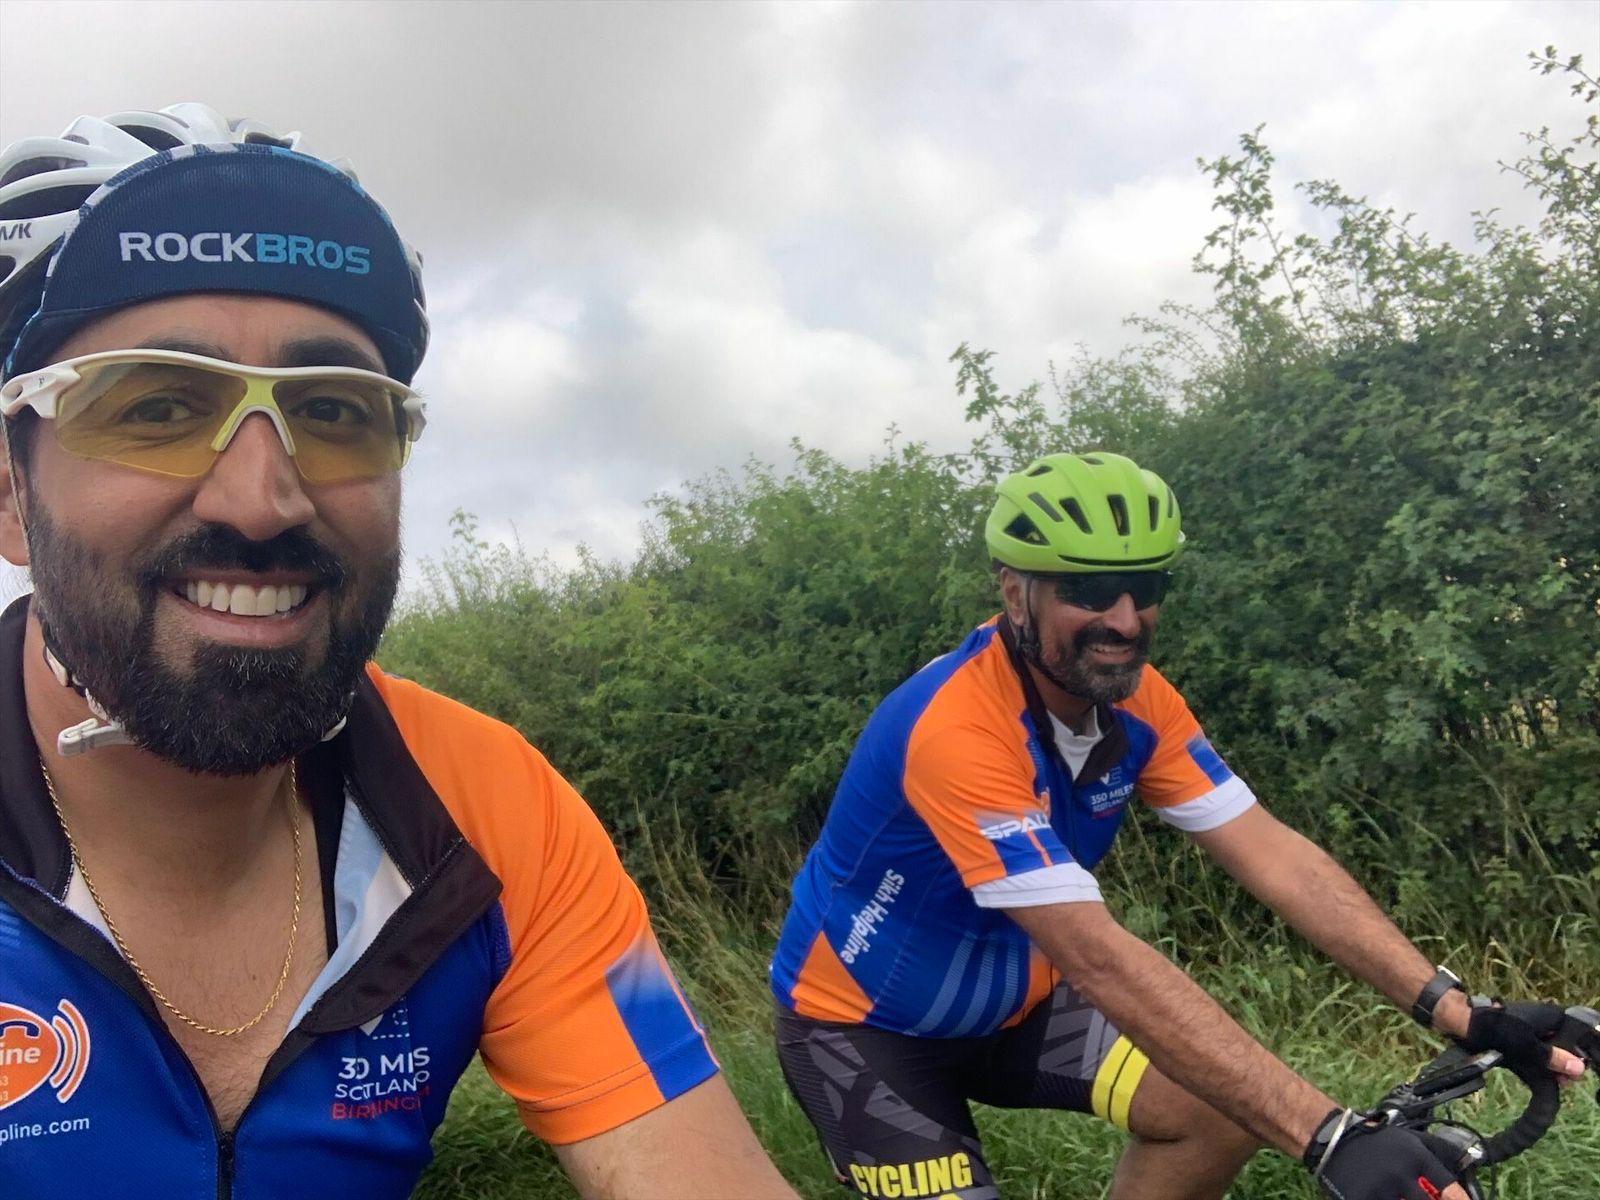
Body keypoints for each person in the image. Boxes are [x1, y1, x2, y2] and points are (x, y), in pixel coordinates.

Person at [0, 104, 796, 1200]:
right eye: (158, 405)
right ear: (10, 492)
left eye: (336, 411)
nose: (261, 499)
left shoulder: (485, 808)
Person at [770, 452, 1594, 1200]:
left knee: (1218, 1111)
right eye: (1089, 591)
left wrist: (1454, 1008)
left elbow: (1274, 857)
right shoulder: (956, 728)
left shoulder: (1139, 702)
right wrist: (1332, 1139)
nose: (1126, 620)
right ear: (1015, 592)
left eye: (1147, 586)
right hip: (864, 1027)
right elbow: (1096, 955)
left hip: (1019, 1005)